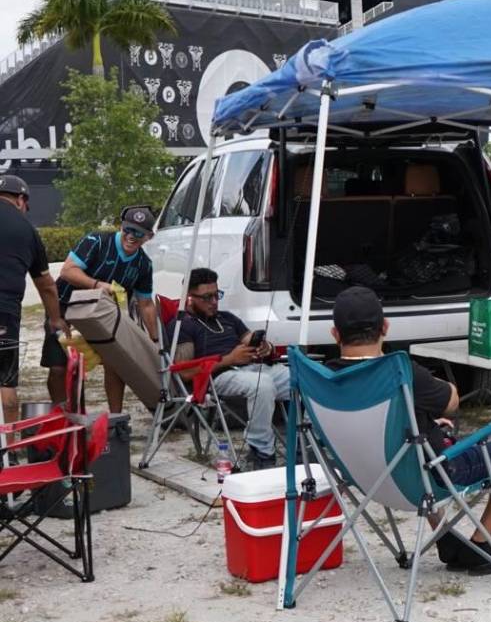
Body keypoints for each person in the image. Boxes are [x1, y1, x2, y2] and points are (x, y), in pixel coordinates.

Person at [327, 286, 491, 573]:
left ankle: (447, 540)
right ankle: (480, 544)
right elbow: (451, 401)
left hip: (367, 480)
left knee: (420, 447)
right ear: (385, 328)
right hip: (427, 480)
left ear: (335, 334)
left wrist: (422, 420)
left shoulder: (325, 380)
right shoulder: (400, 372)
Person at [43, 206, 160, 416]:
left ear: (149, 237)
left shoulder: (144, 265)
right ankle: (63, 418)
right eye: (128, 230)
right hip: (63, 306)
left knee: (115, 362)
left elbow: (146, 304)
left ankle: (116, 419)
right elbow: (68, 271)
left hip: (99, 316)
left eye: (138, 233)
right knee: (60, 367)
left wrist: (155, 339)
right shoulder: (96, 241)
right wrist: (98, 285)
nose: (131, 237)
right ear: (121, 226)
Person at [172, 268, 287, 471]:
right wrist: (228, 359)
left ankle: (308, 440)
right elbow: (184, 372)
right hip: (218, 376)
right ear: (189, 298)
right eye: (207, 297)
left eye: (217, 295)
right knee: (263, 386)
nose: (214, 301)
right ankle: (261, 450)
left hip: (251, 367)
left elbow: (248, 339)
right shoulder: (183, 326)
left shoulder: (226, 318)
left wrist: (264, 347)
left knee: (302, 377)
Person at [0, 175, 66, 423]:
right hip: (4, 310)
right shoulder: (26, 230)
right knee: (4, 380)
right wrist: (56, 320)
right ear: (20, 200)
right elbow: (47, 286)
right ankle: (9, 451)